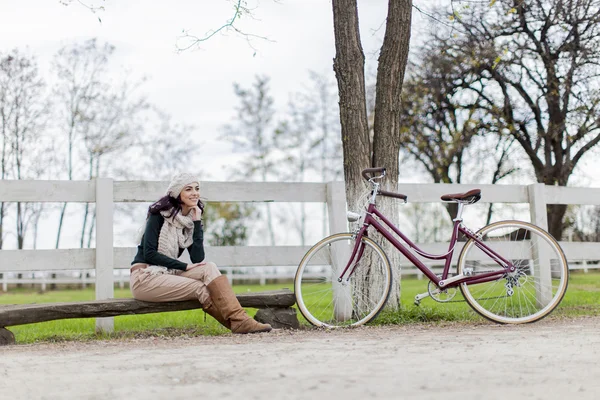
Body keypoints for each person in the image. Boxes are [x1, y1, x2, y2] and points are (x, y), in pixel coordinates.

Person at [129, 172, 272, 334]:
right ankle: (240, 322)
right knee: (200, 288)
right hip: (145, 278)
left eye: (197, 188)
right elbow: (149, 254)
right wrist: (185, 266)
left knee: (209, 267)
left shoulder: (188, 220)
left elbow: (198, 257)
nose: (195, 193)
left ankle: (240, 321)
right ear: (178, 193)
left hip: (168, 274)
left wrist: (197, 223)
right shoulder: (159, 216)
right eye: (188, 189)